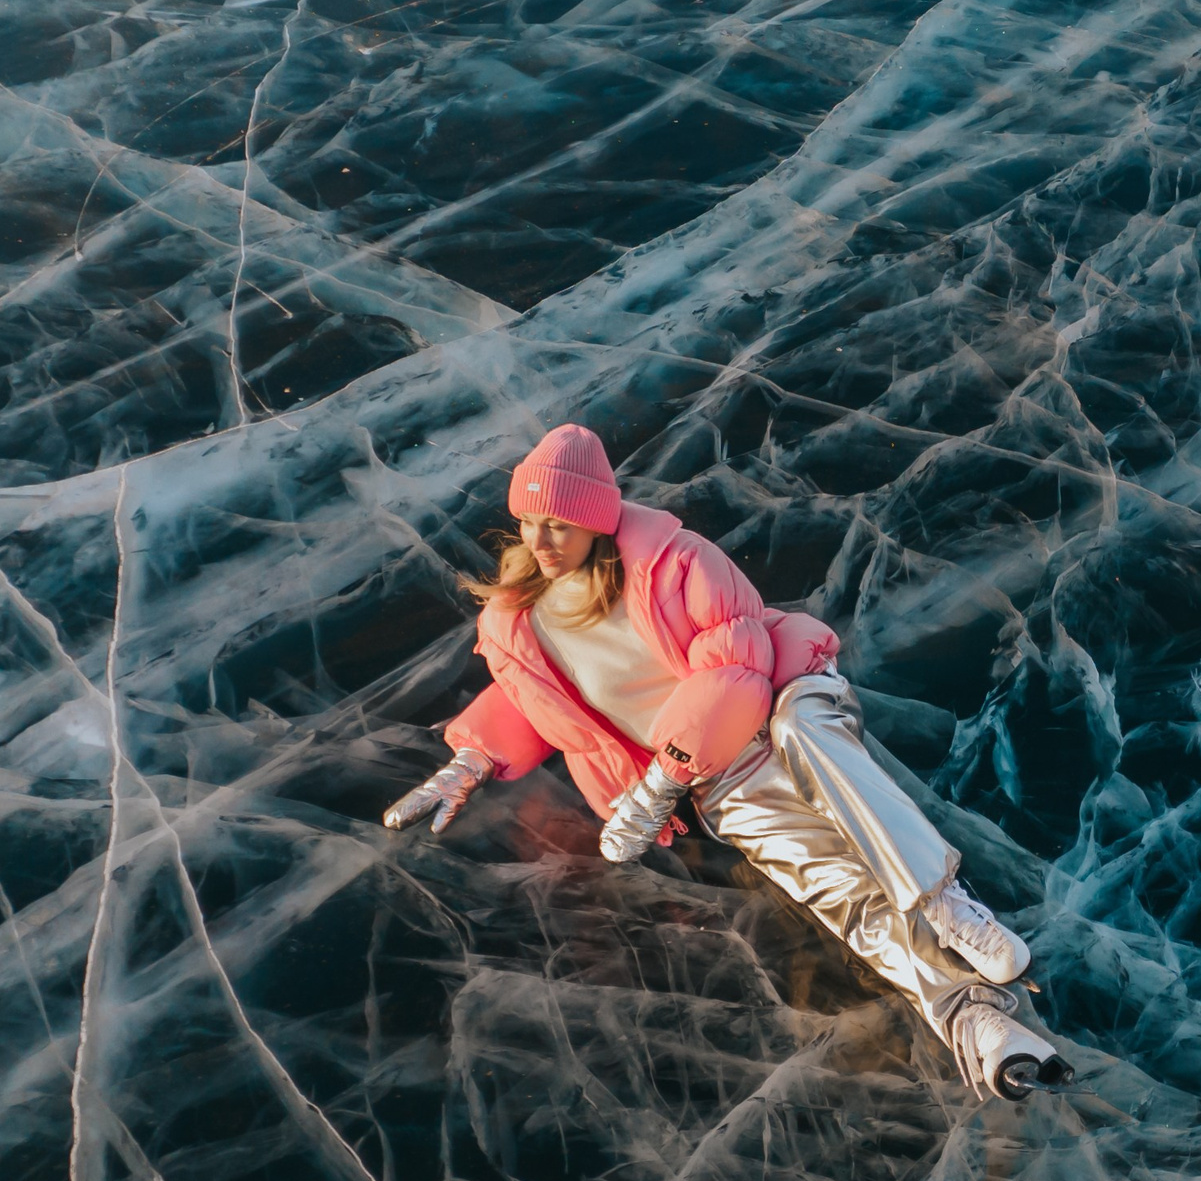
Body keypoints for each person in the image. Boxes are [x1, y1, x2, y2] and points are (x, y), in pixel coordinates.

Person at [384, 424, 1071, 1101]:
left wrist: (660, 782)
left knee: (817, 748)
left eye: (559, 524)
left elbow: (736, 667)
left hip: (780, 695)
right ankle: (971, 1017)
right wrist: (472, 758)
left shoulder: (678, 562)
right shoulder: (519, 621)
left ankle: (943, 902)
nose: (540, 542)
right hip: (716, 776)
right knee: (834, 885)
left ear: (596, 518)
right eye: (529, 522)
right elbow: (533, 695)